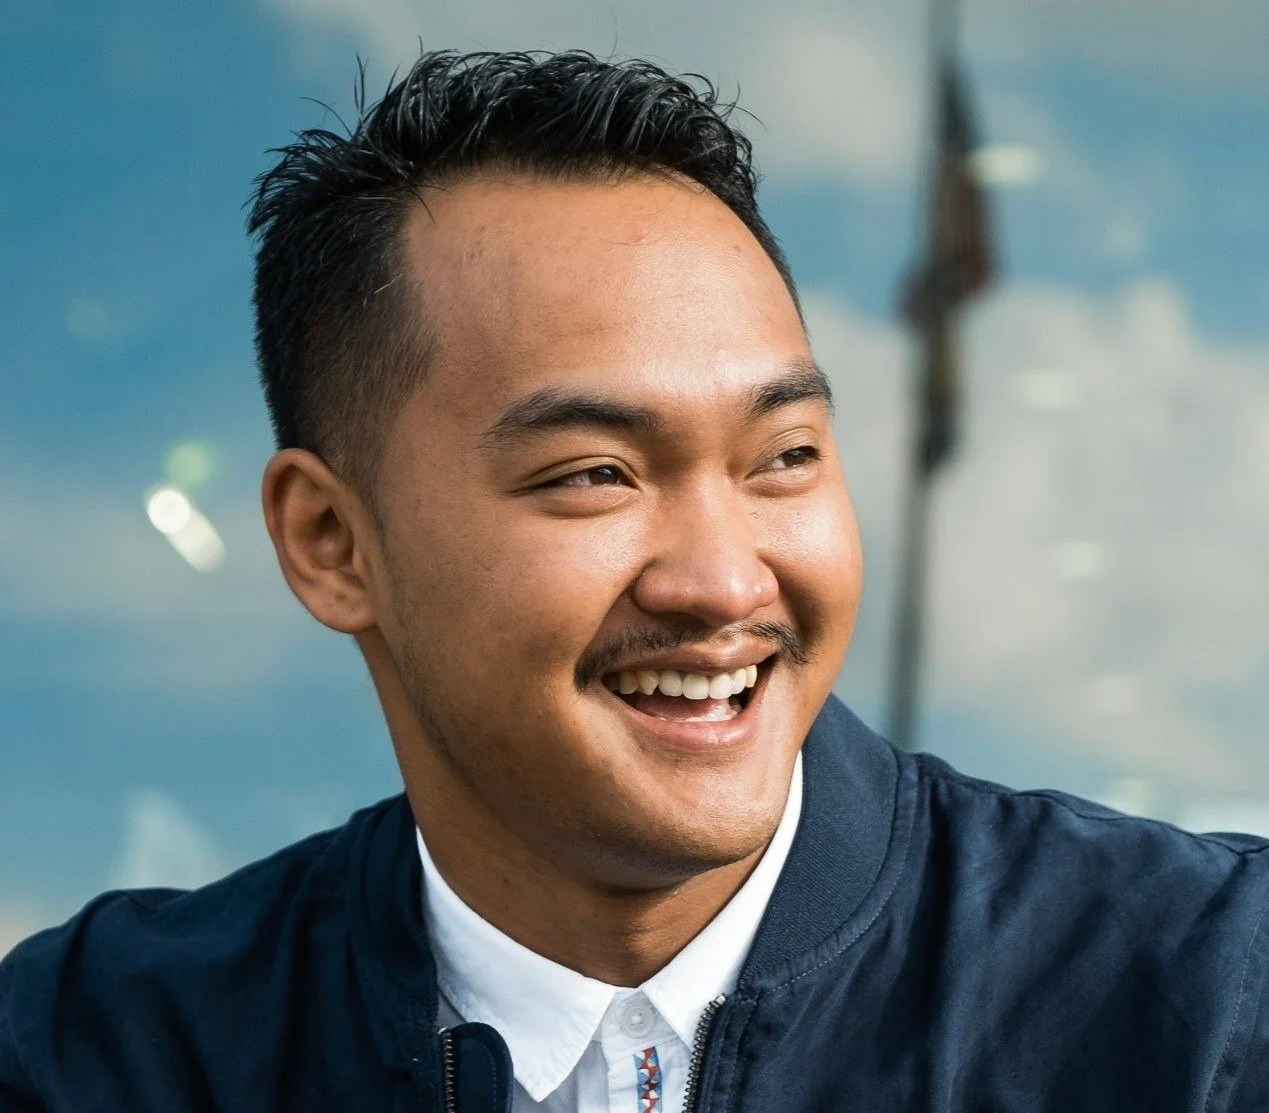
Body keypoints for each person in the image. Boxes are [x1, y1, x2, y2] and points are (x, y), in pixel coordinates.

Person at [1, 49, 1267, 1113]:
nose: (724, 582)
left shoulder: (1205, 1007)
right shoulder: (98, 1050)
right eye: (597, 474)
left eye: (783, 457)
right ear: (331, 543)